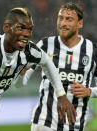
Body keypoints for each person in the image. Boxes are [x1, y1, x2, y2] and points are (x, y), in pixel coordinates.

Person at [21, 2, 97, 131]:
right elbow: (23, 78)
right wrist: (21, 72)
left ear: (80, 23)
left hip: (76, 124)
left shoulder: (92, 51)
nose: (63, 23)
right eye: (60, 18)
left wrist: (90, 91)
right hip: (45, 121)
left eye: (69, 19)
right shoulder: (45, 45)